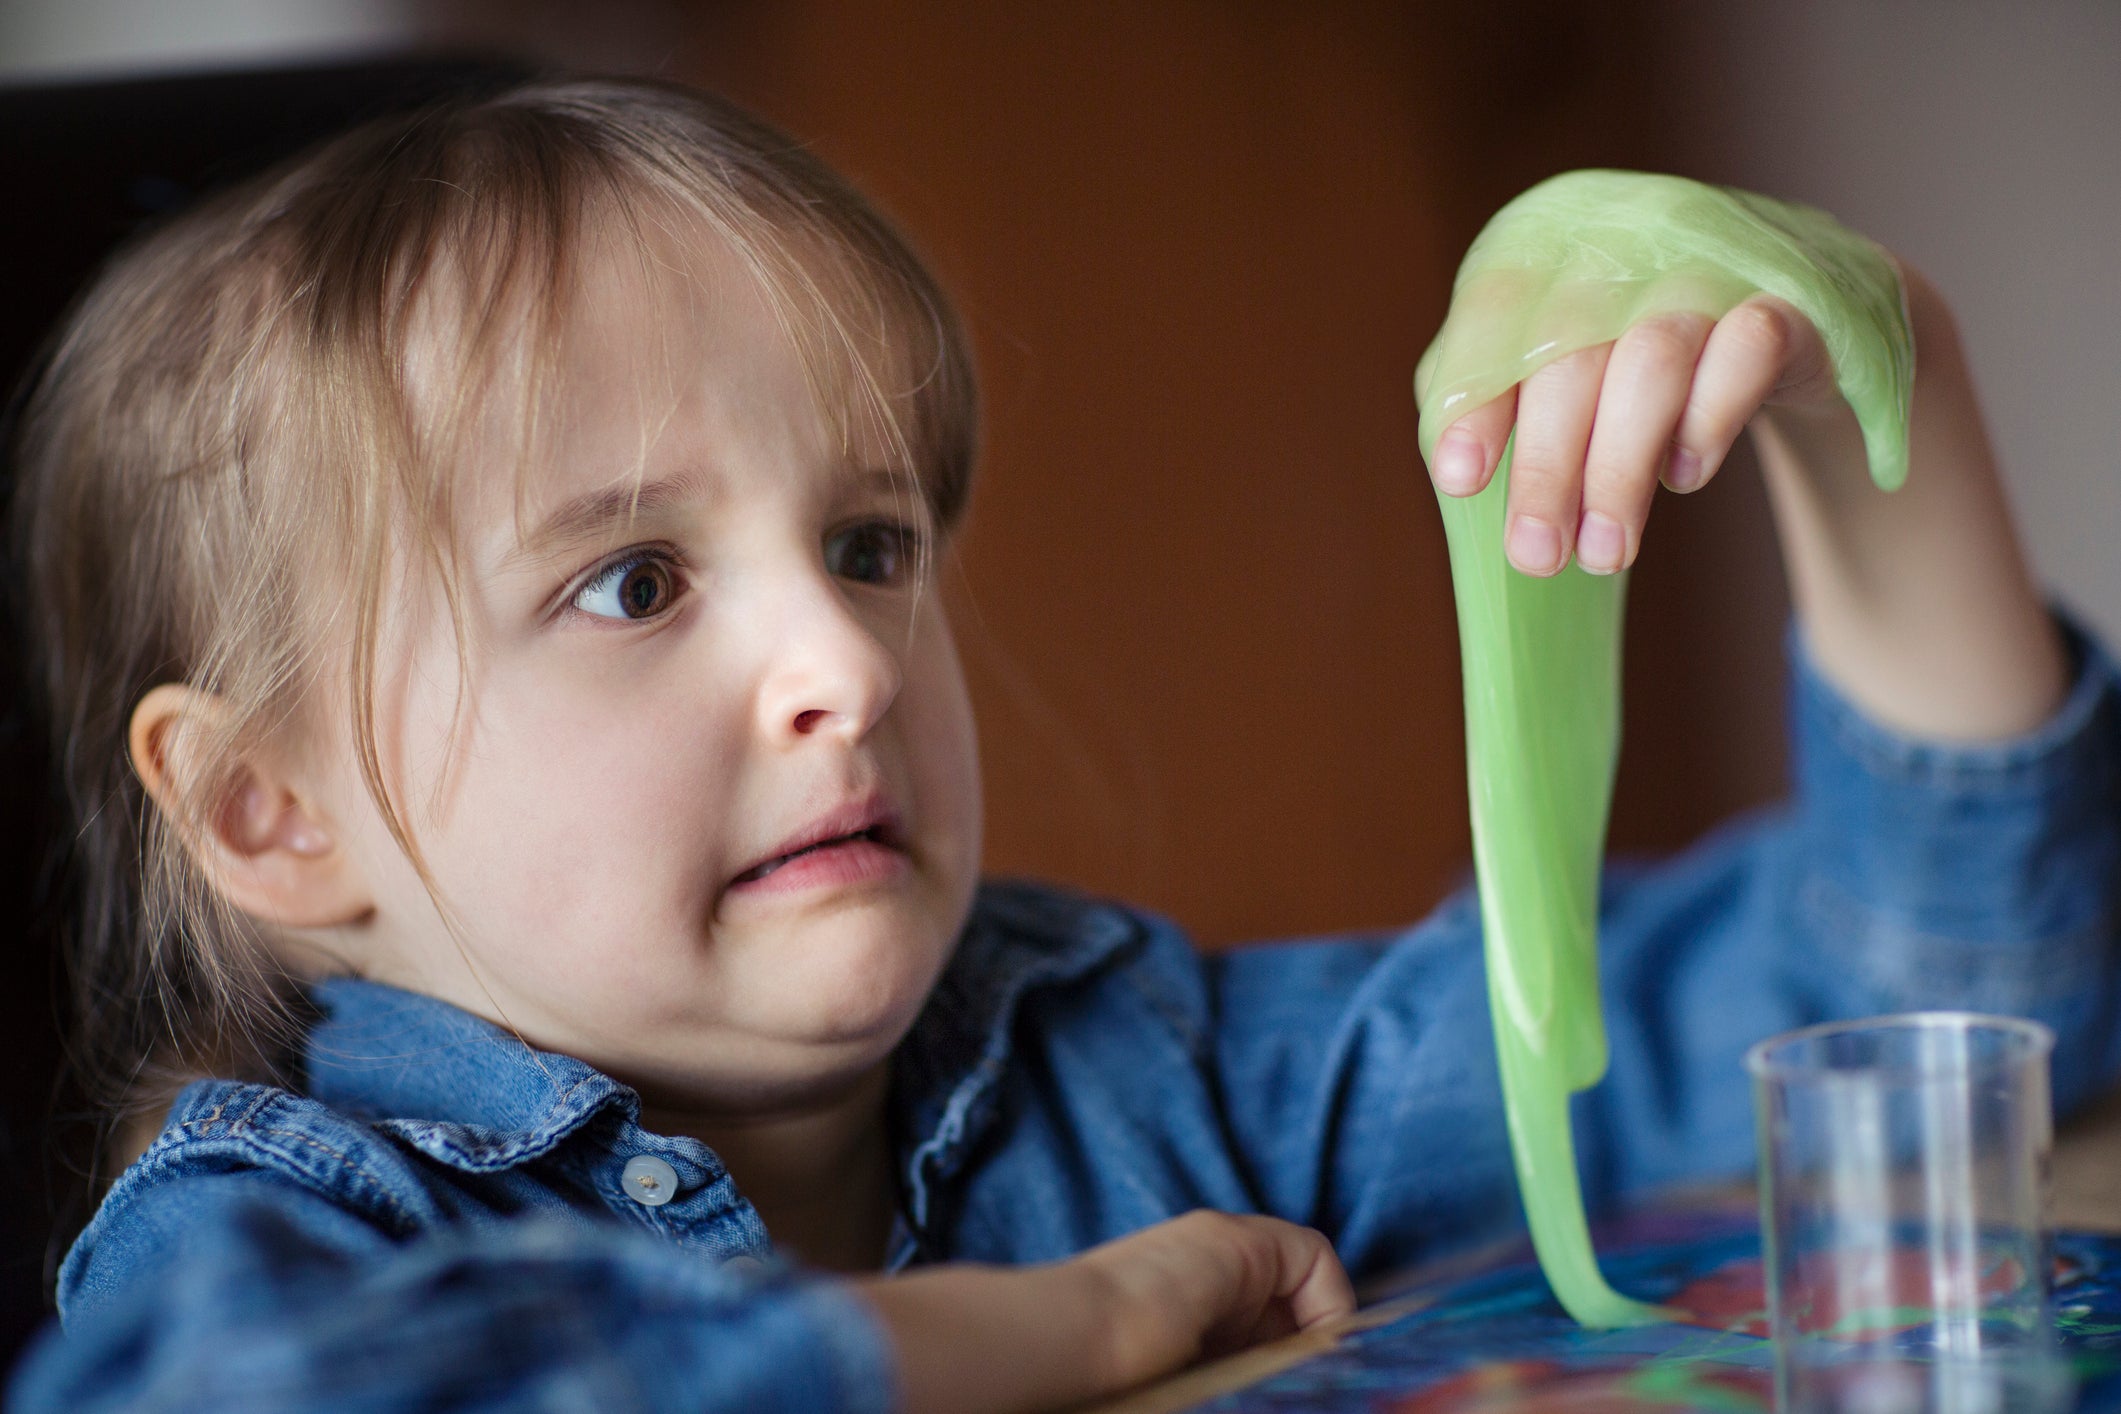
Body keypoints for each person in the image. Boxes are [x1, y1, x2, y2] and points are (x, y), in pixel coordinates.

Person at [6, 76, 2116, 1413]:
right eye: (632, 582)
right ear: (271, 814)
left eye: (865, 540)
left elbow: (1913, 1028)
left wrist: (1872, 408)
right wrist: (1055, 1331)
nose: (839, 648)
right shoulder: (287, 1232)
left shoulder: (1152, 1070)